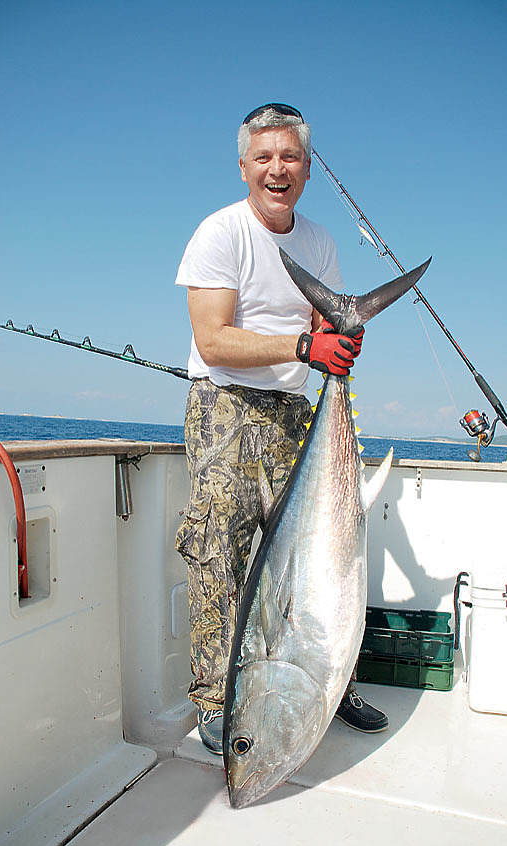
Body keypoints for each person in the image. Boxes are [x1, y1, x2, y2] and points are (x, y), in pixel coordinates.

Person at [175, 103, 388, 755]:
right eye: (264, 156)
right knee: (223, 553)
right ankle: (218, 701)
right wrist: (306, 347)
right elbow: (211, 340)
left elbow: (326, 328)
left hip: (298, 411)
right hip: (226, 409)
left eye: (290, 156)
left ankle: (330, 676)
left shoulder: (319, 241)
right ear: (243, 166)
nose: (277, 168)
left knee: (321, 555)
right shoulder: (220, 233)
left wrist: (338, 337)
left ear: (306, 168)